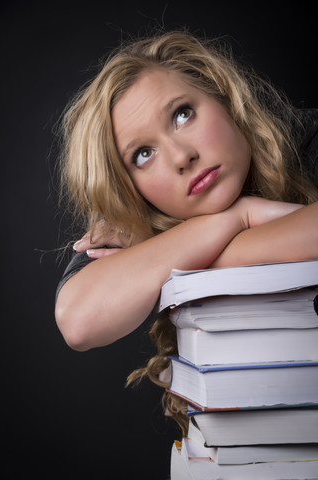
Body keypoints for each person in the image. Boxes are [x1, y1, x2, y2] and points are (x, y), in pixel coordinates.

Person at [55, 30, 318, 433]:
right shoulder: (130, 224)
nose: (182, 157)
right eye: (143, 155)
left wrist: (196, 253)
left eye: (182, 114)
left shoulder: (308, 141)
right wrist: (235, 217)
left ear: (224, 97)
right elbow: (79, 321)